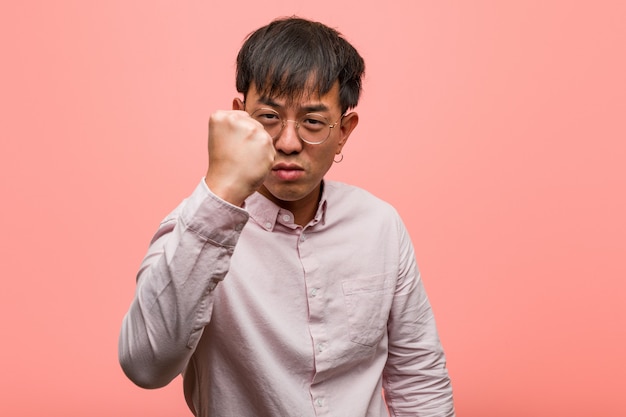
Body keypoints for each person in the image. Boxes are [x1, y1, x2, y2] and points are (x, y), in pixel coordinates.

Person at [119, 16, 455, 417]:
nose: (288, 142)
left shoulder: (380, 225)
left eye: (313, 122)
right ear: (239, 118)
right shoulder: (194, 227)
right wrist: (221, 193)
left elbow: (418, 377)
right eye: (269, 117)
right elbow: (145, 365)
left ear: (344, 130)